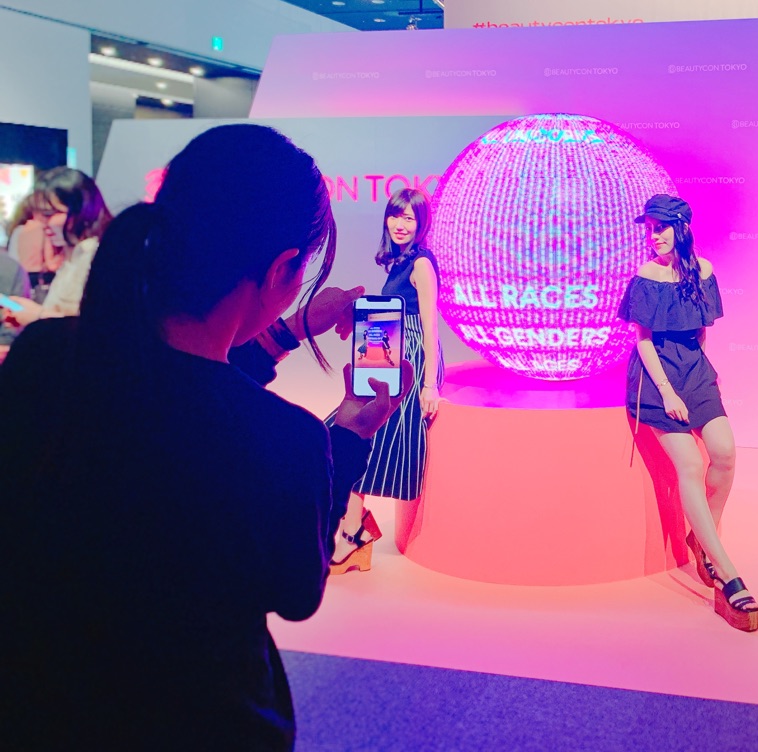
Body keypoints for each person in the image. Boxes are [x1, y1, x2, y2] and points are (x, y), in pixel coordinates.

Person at [0, 124, 407, 750]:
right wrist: (350, 433)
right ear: (283, 268)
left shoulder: (44, 359)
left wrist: (289, 329)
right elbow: (297, 592)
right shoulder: (284, 440)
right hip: (206, 722)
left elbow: (178, 386)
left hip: (36, 708)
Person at [618, 193, 758, 633]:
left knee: (725, 454)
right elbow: (643, 340)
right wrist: (668, 392)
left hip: (693, 368)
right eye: (650, 228)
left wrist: (696, 376)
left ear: (681, 229)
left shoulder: (704, 271)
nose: (654, 236)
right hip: (655, 375)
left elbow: (700, 331)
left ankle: (703, 539)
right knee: (692, 466)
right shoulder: (646, 276)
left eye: (661, 227)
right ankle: (727, 571)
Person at [329, 187, 443, 574]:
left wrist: (430, 384)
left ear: (421, 223)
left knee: (367, 436)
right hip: (386, 353)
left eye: (409, 218)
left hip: (408, 361)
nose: (400, 224)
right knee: (351, 430)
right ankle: (354, 529)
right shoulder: (397, 262)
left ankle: (352, 533)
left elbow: (429, 327)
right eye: (396, 215)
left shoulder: (421, 263)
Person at [1, 168, 111, 328]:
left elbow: (95, 326)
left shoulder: (97, 257)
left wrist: (37, 316)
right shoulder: (75, 255)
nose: (42, 223)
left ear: (81, 210)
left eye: (49, 214)